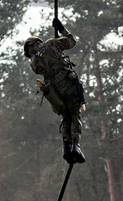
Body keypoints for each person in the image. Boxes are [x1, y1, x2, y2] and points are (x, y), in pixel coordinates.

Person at [23, 17, 86, 164]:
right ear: (37, 42)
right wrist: (62, 28)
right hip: (68, 84)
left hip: (54, 92)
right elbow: (71, 42)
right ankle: (75, 146)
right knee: (75, 114)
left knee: (66, 117)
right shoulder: (51, 44)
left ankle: (66, 147)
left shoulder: (33, 63)